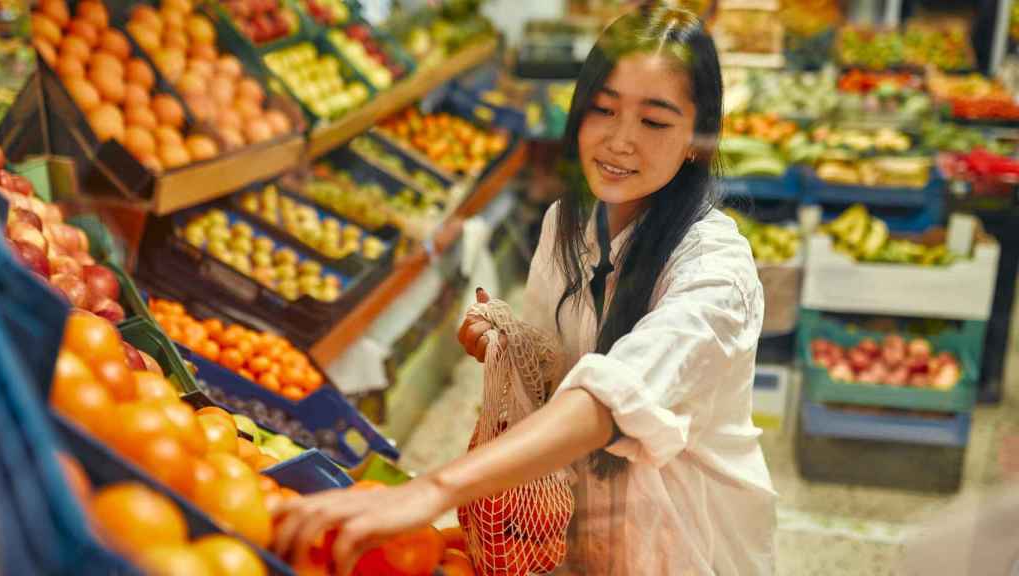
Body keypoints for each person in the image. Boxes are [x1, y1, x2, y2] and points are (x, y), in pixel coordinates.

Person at [273, 4, 776, 574]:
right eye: (603, 109)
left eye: (654, 122)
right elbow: (556, 368)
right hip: (575, 532)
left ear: (698, 140)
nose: (618, 140)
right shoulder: (567, 223)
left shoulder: (716, 273)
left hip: (683, 544)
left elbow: (612, 398)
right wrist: (504, 344)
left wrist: (436, 489)